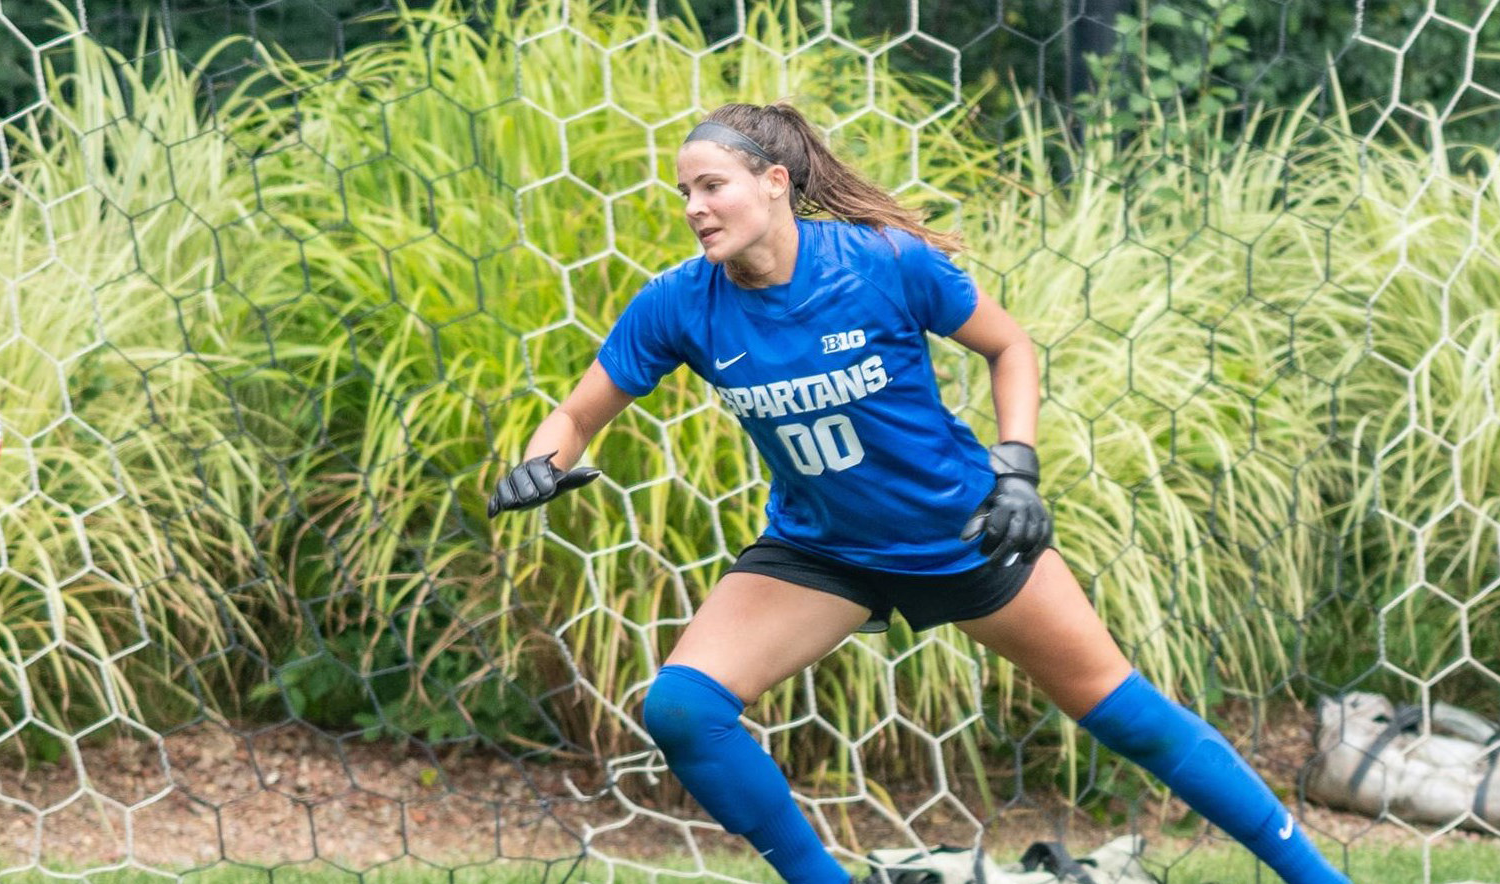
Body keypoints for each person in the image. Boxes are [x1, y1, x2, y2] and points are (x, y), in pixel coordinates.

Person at [485, 102, 1350, 884]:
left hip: (964, 534)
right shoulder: (677, 303)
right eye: (683, 192)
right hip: (819, 553)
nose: (692, 208)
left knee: (1131, 720)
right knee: (681, 707)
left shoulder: (884, 263)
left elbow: (1009, 347)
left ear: (774, 183)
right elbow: (576, 411)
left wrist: (1016, 469)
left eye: (711, 186)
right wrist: (541, 462)